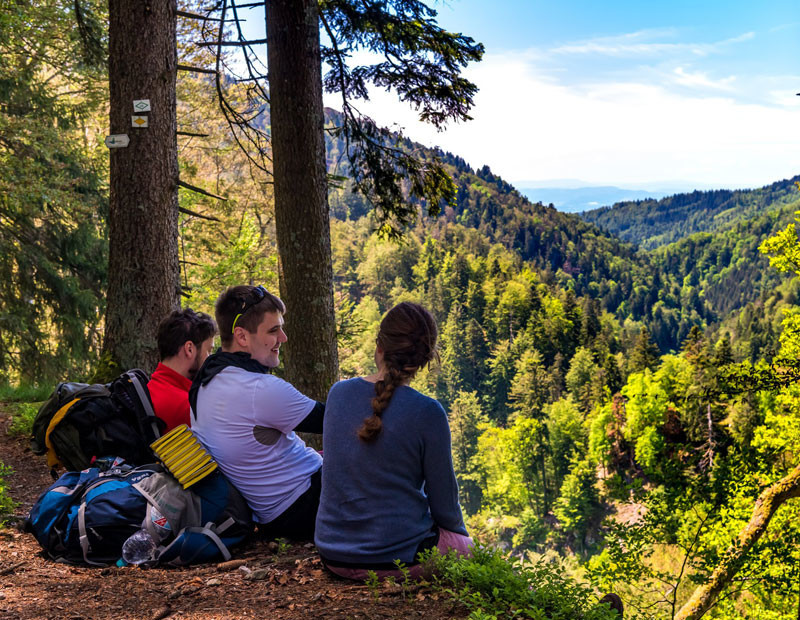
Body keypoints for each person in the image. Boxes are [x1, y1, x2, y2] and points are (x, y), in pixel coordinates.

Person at [315, 301, 472, 581]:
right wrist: (460, 540)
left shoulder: (338, 393)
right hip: (398, 560)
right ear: (424, 359)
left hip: (333, 555)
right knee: (471, 549)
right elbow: (446, 509)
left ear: (380, 346)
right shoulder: (428, 412)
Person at [189, 285, 324, 540]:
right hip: (305, 504)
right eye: (273, 330)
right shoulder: (258, 388)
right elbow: (338, 418)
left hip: (273, 516)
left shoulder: (207, 382)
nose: (283, 338)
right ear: (241, 336)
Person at [148, 308, 217, 433]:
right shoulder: (188, 407)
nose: (211, 359)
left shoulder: (150, 389)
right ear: (189, 349)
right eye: (209, 351)